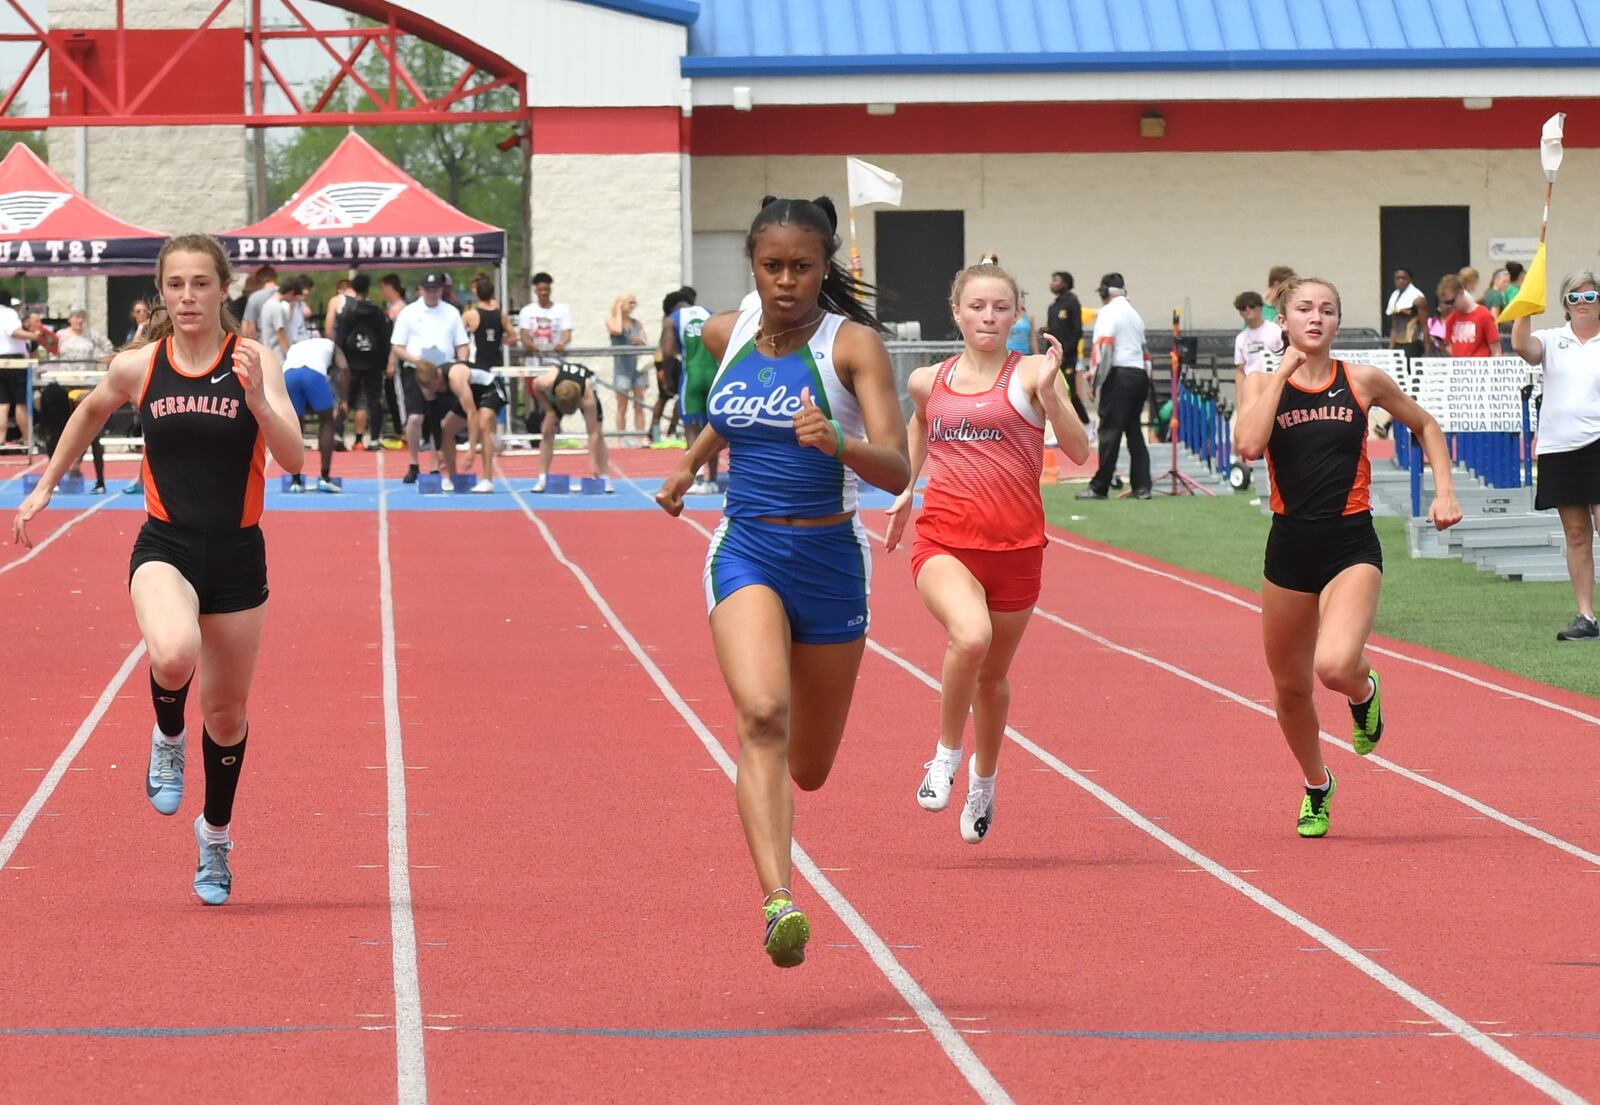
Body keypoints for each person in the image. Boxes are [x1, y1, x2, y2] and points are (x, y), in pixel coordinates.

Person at [11, 233, 304, 904]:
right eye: (176, 284)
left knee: (227, 715)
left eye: (201, 283)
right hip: (165, 547)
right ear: (162, 291)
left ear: (223, 289)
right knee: (173, 653)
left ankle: (216, 836)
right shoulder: (142, 365)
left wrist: (259, 401)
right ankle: (167, 732)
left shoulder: (257, 360)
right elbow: (87, 411)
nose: (189, 295)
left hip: (236, 554)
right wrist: (46, 483)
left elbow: (293, 457)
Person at [655, 195, 910, 968]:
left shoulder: (852, 345)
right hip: (747, 549)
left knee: (810, 765)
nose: (787, 281)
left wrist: (840, 442)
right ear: (753, 267)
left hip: (832, 561)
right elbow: (732, 413)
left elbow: (898, 467)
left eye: (802, 267)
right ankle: (779, 902)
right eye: (773, 266)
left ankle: (784, 841)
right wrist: (690, 463)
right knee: (761, 713)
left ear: (824, 266)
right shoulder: (725, 333)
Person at [1235, 276, 1460, 838]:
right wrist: (1283, 373)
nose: (1316, 318)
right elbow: (1248, 445)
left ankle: (1364, 691)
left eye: (1327, 310)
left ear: (1338, 322)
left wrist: (1445, 490)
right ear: (1282, 321)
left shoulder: (1362, 381)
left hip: (1349, 544)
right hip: (1288, 549)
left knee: (1333, 665)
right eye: (1304, 310)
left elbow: (1425, 424)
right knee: (1289, 690)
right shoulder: (1260, 381)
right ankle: (1318, 785)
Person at [885, 261, 1090, 843]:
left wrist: (1052, 392)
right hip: (944, 542)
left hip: (1018, 551)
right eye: (976, 306)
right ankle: (946, 754)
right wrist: (907, 489)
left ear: (1017, 314)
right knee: (970, 637)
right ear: (956, 312)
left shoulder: (1030, 373)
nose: (988, 317)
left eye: (1000, 307)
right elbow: (920, 424)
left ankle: (984, 781)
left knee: (993, 681)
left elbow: (1077, 450)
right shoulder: (928, 379)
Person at [1510, 270, 1600, 641]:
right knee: (1577, 534)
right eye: (1574, 297)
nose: (1582, 304)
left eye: (1590, 297)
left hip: (1598, 440)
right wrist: (1527, 304)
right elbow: (1521, 346)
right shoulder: (1551, 339)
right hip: (1559, 447)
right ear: (1564, 304)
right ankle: (1586, 616)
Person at [390, 272, 469, 484]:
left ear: (442, 290)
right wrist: (415, 359)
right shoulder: (409, 312)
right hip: (416, 368)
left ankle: (435, 464)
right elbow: (397, 345)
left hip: (443, 371)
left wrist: (462, 366)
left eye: (436, 290)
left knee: (440, 420)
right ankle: (414, 463)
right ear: (421, 290)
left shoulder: (451, 313)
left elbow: (462, 343)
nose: (432, 294)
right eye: (428, 290)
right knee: (416, 417)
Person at [1078, 272, 1151, 500]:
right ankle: (1142, 486)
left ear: (1104, 292)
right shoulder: (1134, 315)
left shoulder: (1109, 313)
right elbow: (1145, 352)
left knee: (1109, 431)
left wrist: (1095, 380)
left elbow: (1105, 351)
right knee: (1133, 431)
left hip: (1118, 374)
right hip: (1139, 374)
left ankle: (1101, 486)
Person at [659, 286, 721, 493]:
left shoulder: (673, 319)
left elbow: (667, 352)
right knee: (713, 429)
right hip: (714, 376)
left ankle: (695, 477)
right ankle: (712, 480)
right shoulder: (710, 314)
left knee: (691, 429)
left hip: (692, 377)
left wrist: (667, 377)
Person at [415, 358, 504, 493]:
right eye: (428, 387)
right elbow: (434, 419)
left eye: (433, 386)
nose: (432, 390)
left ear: (438, 377)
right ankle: (452, 477)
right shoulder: (428, 387)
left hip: (490, 389)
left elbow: (472, 414)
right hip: (469, 396)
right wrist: (439, 449)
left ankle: (487, 480)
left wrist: (471, 449)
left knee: (483, 424)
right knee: (446, 428)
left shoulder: (455, 377)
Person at [528, 360, 610, 492]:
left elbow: (593, 433)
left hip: (584, 386)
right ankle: (542, 478)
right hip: (561, 389)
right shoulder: (548, 381)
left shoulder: (587, 397)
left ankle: (604, 478)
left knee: (598, 432)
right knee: (547, 430)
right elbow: (534, 385)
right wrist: (549, 411)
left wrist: (593, 463)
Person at [334, 273, 393, 450]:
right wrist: (384, 362)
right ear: (368, 289)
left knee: (345, 399)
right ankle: (374, 439)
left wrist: (340, 361)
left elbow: (341, 338)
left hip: (350, 362)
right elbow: (384, 339)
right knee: (374, 400)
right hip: (373, 362)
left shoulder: (348, 311)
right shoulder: (376, 311)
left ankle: (338, 435)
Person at [280, 335, 346, 493]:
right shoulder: (331, 344)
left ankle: (295, 480)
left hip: (288, 375)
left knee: (295, 426)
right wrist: (344, 400)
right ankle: (324, 477)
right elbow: (343, 369)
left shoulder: (296, 346)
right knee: (327, 421)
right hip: (313, 375)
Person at [0, 292, 46, 451]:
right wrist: (34, 336)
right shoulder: (8, 314)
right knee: (21, 402)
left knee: (3, 403)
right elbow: (13, 332)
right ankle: (27, 439)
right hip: (14, 361)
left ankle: (1, 439)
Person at [1044, 270, 1089, 426]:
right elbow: (1055, 329)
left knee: (1069, 391)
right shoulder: (1053, 306)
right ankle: (1062, 428)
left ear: (1065, 283)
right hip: (1053, 356)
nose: (1052, 283)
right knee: (1054, 392)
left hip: (1067, 357)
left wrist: (1065, 352)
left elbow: (1077, 331)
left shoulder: (1072, 303)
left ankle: (1086, 423)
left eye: (1056, 280)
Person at [650, 288, 689, 443]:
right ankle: (653, 432)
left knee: (680, 396)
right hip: (664, 359)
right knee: (664, 396)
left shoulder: (678, 317)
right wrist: (666, 375)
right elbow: (667, 347)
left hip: (677, 359)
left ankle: (671, 430)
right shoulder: (671, 318)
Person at [607, 292, 650, 433]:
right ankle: (620, 437)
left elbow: (646, 342)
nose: (633, 306)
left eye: (634, 303)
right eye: (630, 302)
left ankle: (640, 435)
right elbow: (617, 330)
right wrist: (619, 311)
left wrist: (640, 341)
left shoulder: (637, 323)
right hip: (622, 369)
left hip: (637, 368)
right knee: (622, 406)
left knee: (639, 405)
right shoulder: (612, 321)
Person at [1233, 290, 1285, 403]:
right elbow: (1240, 370)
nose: (1247, 310)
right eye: (1242, 307)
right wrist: (1239, 399)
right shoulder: (1241, 338)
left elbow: (1285, 356)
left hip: (1275, 385)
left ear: (1260, 307)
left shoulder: (1275, 329)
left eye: (1251, 306)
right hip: (1252, 390)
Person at [1436, 274, 1501, 357]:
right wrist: (1443, 347)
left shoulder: (1483, 315)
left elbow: (1496, 350)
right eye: (1446, 303)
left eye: (1451, 301)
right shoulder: (1451, 319)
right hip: (1460, 367)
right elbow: (1452, 352)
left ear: (1461, 292)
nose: (1449, 306)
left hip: (1479, 367)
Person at [1385, 268, 1433, 359]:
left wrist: (1427, 352)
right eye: (1397, 278)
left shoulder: (1418, 298)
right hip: (1397, 343)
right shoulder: (1394, 297)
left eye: (1404, 278)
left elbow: (1424, 326)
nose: (1400, 281)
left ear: (1410, 280)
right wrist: (1391, 347)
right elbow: (1394, 326)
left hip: (1412, 343)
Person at [239, 265, 278, 341]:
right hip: (287, 345)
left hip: (264, 343)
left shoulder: (254, 297)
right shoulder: (286, 294)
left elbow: (248, 328)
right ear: (275, 277)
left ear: (259, 279)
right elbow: (306, 312)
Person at [1005, 291, 1037, 355]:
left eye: (1022, 297)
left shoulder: (1030, 316)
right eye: (1018, 297)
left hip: (1024, 352)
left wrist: (1037, 354)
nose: (1021, 300)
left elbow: (1033, 337)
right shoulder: (1006, 313)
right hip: (1007, 352)